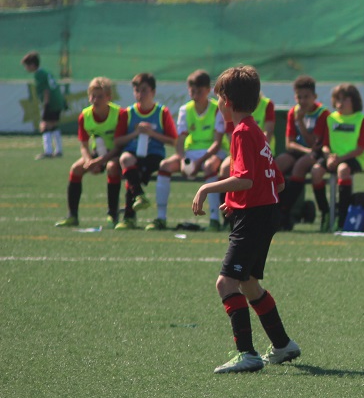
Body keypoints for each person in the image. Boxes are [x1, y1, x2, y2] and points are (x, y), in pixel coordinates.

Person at [191, 65, 300, 373]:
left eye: (218, 99)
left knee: (226, 282)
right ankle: (283, 344)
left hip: (255, 218)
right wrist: (235, 201)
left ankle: (247, 353)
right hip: (266, 213)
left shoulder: (241, 132)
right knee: (249, 283)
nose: (217, 104)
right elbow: (277, 182)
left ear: (227, 100)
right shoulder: (256, 130)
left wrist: (207, 187)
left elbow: (247, 179)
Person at [150, 70, 226, 231]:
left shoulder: (216, 109)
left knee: (209, 166)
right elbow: (180, 141)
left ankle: (214, 219)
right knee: (164, 166)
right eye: (192, 90)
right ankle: (161, 218)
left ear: (208, 90)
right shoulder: (185, 109)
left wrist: (198, 162)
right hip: (191, 153)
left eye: (199, 90)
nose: (195, 94)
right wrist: (184, 160)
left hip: (212, 153)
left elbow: (217, 143)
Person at [112, 73, 178, 230]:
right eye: (136, 90)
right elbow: (117, 141)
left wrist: (151, 134)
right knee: (126, 160)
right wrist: (135, 133)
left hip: (154, 155)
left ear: (153, 92)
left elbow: (173, 140)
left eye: (144, 90)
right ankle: (139, 197)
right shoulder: (127, 113)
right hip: (133, 153)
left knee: (134, 173)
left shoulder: (162, 112)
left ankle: (129, 216)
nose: (140, 94)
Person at [56, 77, 123, 227]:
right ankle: (72, 216)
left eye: (100, 96)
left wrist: (99, 162)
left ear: (109, 97)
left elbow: (119, 146)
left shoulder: (119, 114)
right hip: (96, 154)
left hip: (115, 154)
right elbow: (83, 145)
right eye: (93, 96)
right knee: (76, 168)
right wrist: (88, 162)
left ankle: (113, 215)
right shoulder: (84, 116)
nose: (95, 100)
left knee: (112, 167)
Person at [276, 75, 330, 230]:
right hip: (302, 151)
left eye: (306, 97)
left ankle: (286, 212)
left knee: (300, 166)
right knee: (276, 166)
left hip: (318, 152)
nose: (302, 101)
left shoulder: (322, 113)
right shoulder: (293, 112)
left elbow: (315, 143)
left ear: (315, 97)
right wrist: (305, 150)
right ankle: (273, 209)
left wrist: (300, 122)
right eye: (299, 97)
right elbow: (289, 144)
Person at [314, 83, 364, 231]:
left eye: (344, 99)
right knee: (316, 172)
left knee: (343, 170)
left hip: (353, 158)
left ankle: (342, 218)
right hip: (333, 158)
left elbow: (361, 147)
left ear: (354, 101)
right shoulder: (331, 118)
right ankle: (325, 212)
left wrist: (340, 159)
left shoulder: (360, 119)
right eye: (337, 99)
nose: (340, 103)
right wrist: (328, 157)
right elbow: (325, 145)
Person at [21, 51, 68, 160]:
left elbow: (46, 91)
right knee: (53, 125)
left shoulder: (39, 74)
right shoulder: (46, 72)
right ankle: (59, 150)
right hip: (58, 101)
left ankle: (48, 151)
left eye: (26, 65)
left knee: (45, 125)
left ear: (32, 65)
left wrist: (46, 106)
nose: (25, 68)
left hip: (51, 103)